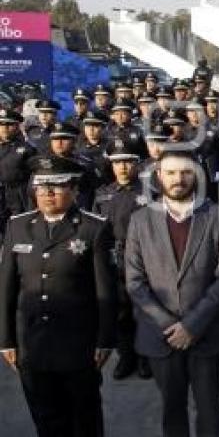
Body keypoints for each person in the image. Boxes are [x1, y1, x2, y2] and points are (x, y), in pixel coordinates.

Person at [0, 155, 117, 437]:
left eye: (57, 186)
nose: (48, 193)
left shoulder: (93, 228)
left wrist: (104, 340)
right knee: (46, 420)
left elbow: (105, 291)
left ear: (75, 189)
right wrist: (6, 341)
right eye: (41, 187)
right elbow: (6, 288)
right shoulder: (18, 226)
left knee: (84, 420)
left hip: (78, 345)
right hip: (32, 344)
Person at [125, 150, 219, 437]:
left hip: (208, 332)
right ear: (159, 176)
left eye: (185, 172)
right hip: (160, 335)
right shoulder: (139, 220)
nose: (178, 179)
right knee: (172, 411)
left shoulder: (218, 217)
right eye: (171, 172)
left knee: (209, 411)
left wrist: (192, 325)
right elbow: (135, 282)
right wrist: (169, 325)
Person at [92, 140, 154, 381]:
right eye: (118, 162)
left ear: (137, 164)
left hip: (143, 258)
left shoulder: (149, 193)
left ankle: (144, 357)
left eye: (128, 161)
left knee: (143, 309)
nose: (123, 167)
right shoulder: (103, 195)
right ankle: (125, 355)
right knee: (119, 310)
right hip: (112, 259)